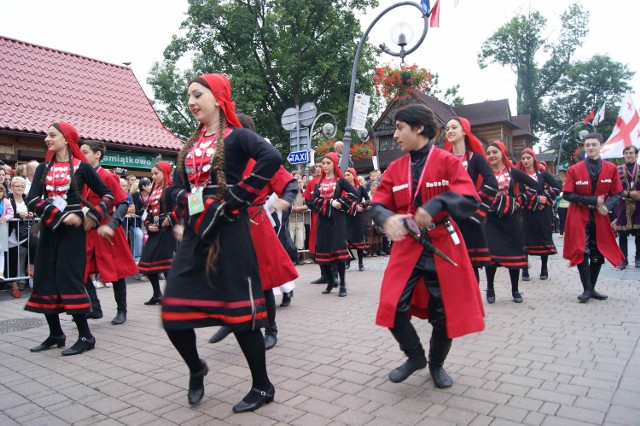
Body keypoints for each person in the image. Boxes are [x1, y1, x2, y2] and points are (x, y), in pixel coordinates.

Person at [162, 73, 280, 412]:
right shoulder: (189, 145)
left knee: (241, 316)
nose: (191, 102)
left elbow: (271, 158)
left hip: (230, 230)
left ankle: (262, 386)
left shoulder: (239, 137)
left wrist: (239, 196)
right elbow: (174, 187)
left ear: (218, 98)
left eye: (197, 94)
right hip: (197, 233)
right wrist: (183, 200)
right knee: (172, 312)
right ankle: (197, 368)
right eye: (189, 97)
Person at [370, 104, 484, 388]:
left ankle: (436, 364)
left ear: (419, 128)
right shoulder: (395, 168)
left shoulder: (448, 161)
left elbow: (470, 200)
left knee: (444, 314)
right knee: (391, 306)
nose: (395, 135)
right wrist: (386, 218)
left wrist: (436, 204)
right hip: (407, 245)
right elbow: (377, 204)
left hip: (443, 242)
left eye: (399, 128)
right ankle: (415, 357)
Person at [208, 112, 298, 350]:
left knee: (264, 280)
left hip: (255, 223)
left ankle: (271, 329)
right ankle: (233, 319)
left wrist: (287, 199)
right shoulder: (221, 159)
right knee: (228, 277)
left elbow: (289, 182)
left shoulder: (261, 159)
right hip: (227, 223)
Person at [26, 122, 113, 356]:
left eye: (52, 135)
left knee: (69, 278)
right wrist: (59, 215)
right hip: (50, 228)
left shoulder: (83, 168)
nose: (47, 138)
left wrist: (91, 216)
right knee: (44, 276)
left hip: (73, 235)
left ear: (66, 139)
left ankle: (86, 336)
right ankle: (56, 334)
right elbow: (32, 199)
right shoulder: (44, 169)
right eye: (46, 135)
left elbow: (107, 195)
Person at [79, 141, 139, 325]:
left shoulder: (107, 176)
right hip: (88, 230)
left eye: (85, 152)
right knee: (81, 269)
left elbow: (122, 203)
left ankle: (122, 310)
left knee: (117, 271)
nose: (81, 156)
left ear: (97, 154)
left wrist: (112, 225)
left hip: (107, 229)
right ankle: (95, 308)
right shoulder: (80, 177)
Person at [562, 132, 624, 302]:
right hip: (578, 216)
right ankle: (587, 289)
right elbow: (567, 194)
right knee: (582, 250)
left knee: (598, 252)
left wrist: (607, 206)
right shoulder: (573, 169)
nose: (590, 147)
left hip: (600, 217)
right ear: (584, 147)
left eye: (594, 144)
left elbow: (618, 193)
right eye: (587, 145)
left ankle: (591, 288)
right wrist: (592, 200)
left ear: (601, 146)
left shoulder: (611, 169)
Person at [444, 117, 498, 282]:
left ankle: (473, 303)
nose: (449, 131)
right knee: (450, 263)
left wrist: (473, 203)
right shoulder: (444, 158)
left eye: (454, 127)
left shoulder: (476, 158)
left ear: (464, 131)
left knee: (471, 264)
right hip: (449, 218)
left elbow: (492, 183)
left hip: (469, 219)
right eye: (447, 129)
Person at [484, 141, 538, 304]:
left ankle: (515, 290)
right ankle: (490, 288)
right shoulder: (484, 174)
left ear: (502, 153)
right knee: (491, 255)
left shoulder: (513, 172)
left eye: (495, 152)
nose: (491, 155)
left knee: (514, 254)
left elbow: (535, 185)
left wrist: (519, 200)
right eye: (489, 153)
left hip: (511, 220)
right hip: (492, 220)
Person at [306, 152, 358, 297]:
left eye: (328, 163)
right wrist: (330, 203)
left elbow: (354, 193)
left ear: (334, 165)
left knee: (338, 251)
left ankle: (343, 285)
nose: (325, 166)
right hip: (323, 220)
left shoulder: (341, 181)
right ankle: (330, 281)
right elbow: (313, 201)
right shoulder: (318, 183)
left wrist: (340, 202)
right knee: (323, 250)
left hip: (337, 220)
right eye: (324, 163)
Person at [516, 148, 562, 280]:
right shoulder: (518, 176)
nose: (525, 161)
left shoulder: (542, 174)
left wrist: (546, 197)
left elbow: (558, 186)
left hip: (542, 212)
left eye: (528, 158)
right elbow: (517, 194)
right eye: (523, 158)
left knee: (543, 237)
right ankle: (525, 269)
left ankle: (544, 268)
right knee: (525, 238)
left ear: (533, 159)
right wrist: (536, 199)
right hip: (526, 212)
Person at [137, 162, 175, 304]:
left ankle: (170, 296)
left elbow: (179, 208)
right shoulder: (153, 190)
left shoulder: (171, 189)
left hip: (167, 230)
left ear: (165, 173)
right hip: (155, 229)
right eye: (152, 174)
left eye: (156, 173)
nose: (153, 177)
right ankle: (157, 294)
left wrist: (170, 219)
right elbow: (147, 212)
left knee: (166, 265)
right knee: (147, 261)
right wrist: (147, 224)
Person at [613, 145, 640, 269]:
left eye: (631, 153)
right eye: (626, 153)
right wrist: (629, 193)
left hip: (638, 205)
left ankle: (638, 258)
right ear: (623, 155)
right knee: (622, 234)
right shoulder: (617, 170)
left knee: (639, 234)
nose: (629, 155)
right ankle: (623, 259)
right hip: (623, 205)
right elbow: (614, 188)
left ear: (636, 155)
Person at [8, 176, 33, 295]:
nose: (20, 188)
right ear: (12, 187)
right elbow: (6, 213)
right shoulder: (8, 199)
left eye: (22, 186)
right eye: (17, 186)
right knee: (12, 258)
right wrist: (18, 215)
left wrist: (30, 214)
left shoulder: (27, 199)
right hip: (10, 233)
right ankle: (13, 284)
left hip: (24, 232)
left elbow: (33, 211)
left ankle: (24, 279)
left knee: (24, 255)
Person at [344, 167, 369, 271]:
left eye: (348, 175)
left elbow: (368, 199)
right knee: (347, 238)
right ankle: (348, 260)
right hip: (347, 216)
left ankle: (360, 263)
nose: (346, 177)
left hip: (358, 216)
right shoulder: (343, 188)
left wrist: (362, 205)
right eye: (345, 175)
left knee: (358, 238)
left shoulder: (360, 188)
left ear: (353, 176)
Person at [131, 177, 151, 265]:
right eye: (149, 185)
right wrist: (147, 211)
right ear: (143, 186)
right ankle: (137, 260)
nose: (151, 186)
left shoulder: (153, 195)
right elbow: (134, 210)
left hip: (149, 224)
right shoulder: (135, 196)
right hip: (136, 224)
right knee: (139, 235)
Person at [289, 171, 308, 265]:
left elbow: (308, 205)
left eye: (299, 178)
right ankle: (292, 259)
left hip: (300, 219)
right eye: (296, 178)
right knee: (290, 239)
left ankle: (298, 258)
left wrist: (298, 209)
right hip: (290, 220)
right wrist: (293, 208)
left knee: (300, 239)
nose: (298, 180)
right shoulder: (289, 191)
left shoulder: (303, 192)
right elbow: (287, 204)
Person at [0, 184, 15, 284]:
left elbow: (11, 213)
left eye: (1, 191)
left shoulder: (5, 201)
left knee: (1, 251)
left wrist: (5, 218)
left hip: (2, 227)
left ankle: (0, 272)